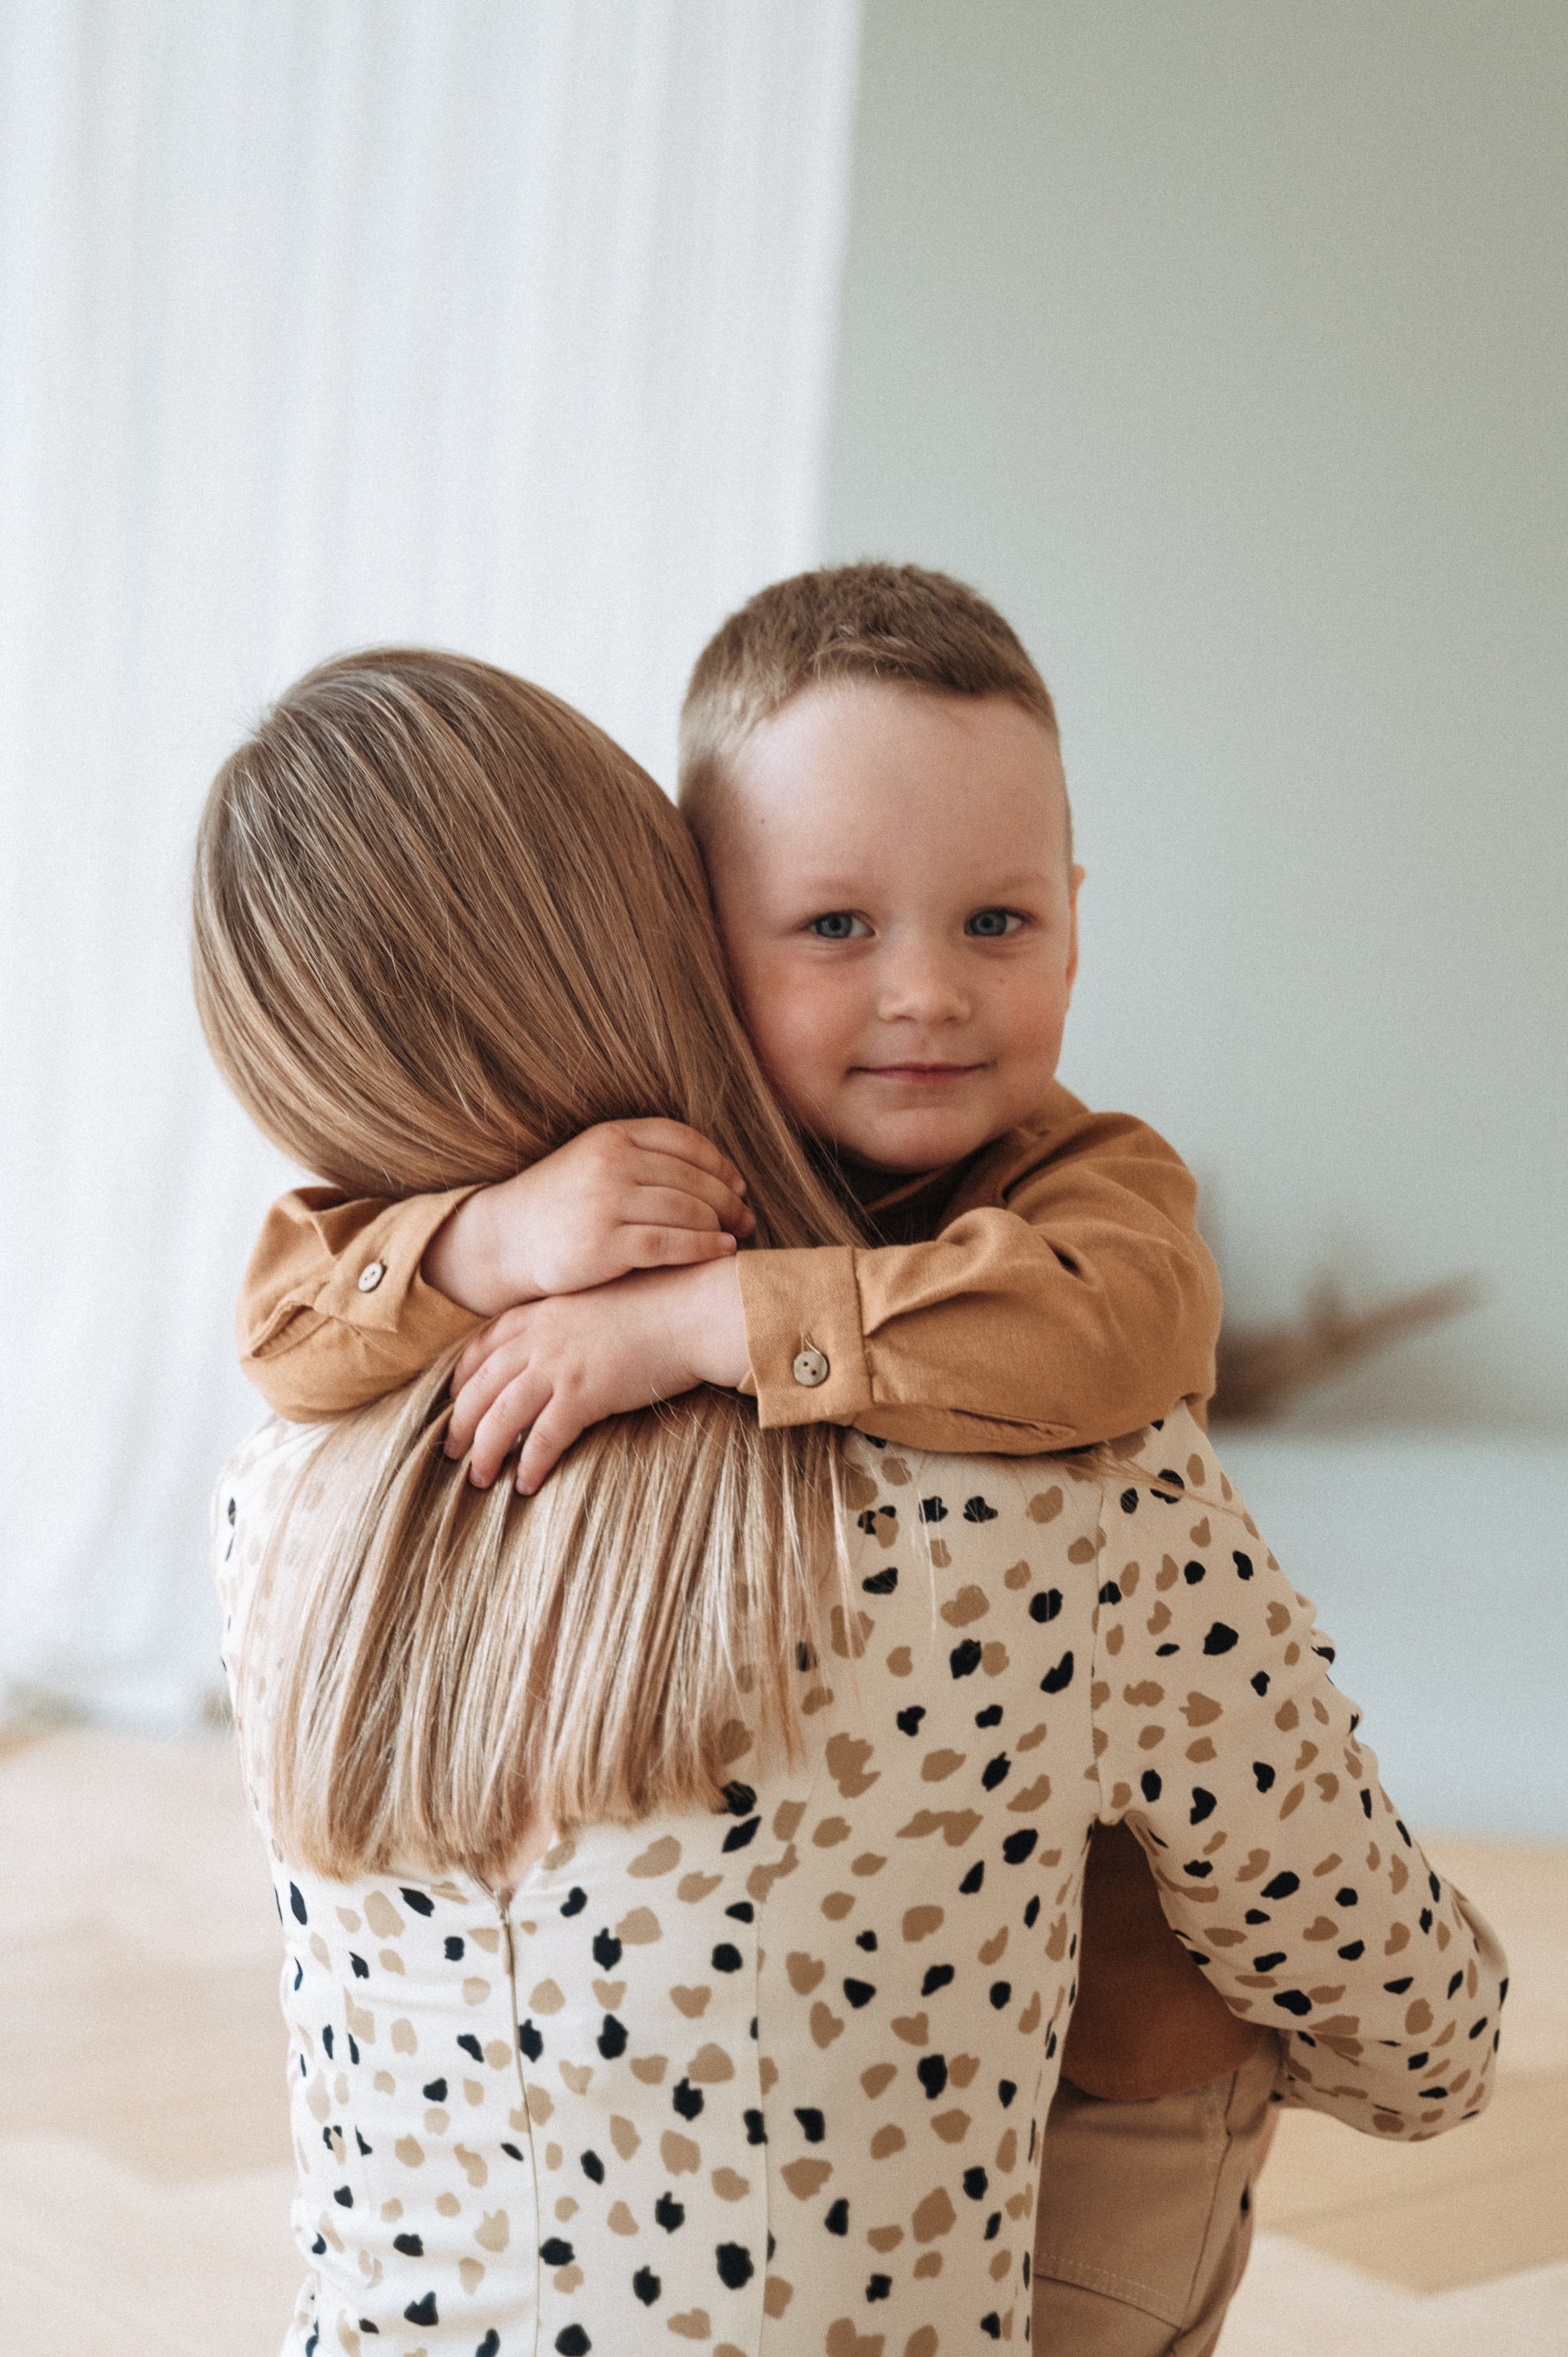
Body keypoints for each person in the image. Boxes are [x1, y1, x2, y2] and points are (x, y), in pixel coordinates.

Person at [198, 647, 1506, 2357]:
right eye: (831, 926)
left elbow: (1112, 1304)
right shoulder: (1064, 1495)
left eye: (994, 924)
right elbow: (1418, 2030)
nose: (924, 999)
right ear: (684, 925)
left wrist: (676, 1313)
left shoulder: (270, 1501)